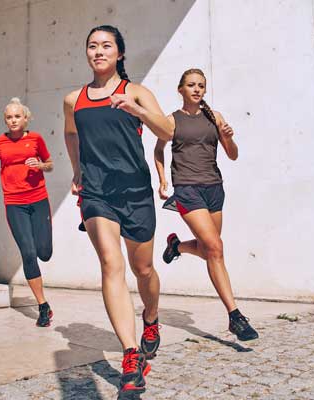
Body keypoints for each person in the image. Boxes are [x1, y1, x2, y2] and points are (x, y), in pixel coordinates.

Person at [63, 25, 174, 396]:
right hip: (97, 194)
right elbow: (71, 134)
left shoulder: (136, 91)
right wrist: (77, 170)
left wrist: (137, 109)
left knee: (143, 270)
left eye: (106, 46)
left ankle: (152, 319)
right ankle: (130, 354)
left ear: (119, 54)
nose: (98, 51)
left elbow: (169, 130)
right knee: (112, 264)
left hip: (136, 192)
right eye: (92, 45)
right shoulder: (73, 99)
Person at [153, 68, 259, 342]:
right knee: (215, 248)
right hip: (187, 189)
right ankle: (235, 315)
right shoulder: (171, 120)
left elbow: (232, 155)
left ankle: (177, 246)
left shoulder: (215, 117)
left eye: (201, 85)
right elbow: (158, 149)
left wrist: (229, 136)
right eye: (191, 85)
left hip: (214, 188)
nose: (197, 89)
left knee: (209, 249)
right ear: (181, 89)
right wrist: (163, 179)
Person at [0, 98, 55, 327]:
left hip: (38, 200)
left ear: (25, 118)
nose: (13, 120)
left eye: (17, 116)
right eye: (9, 117)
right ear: (5, 120)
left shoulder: (36, 139)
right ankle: (43, 306)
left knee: (44, 252)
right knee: (28, 253)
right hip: (14, 203)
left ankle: (42, 257)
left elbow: (50, 164)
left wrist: (40, 166)